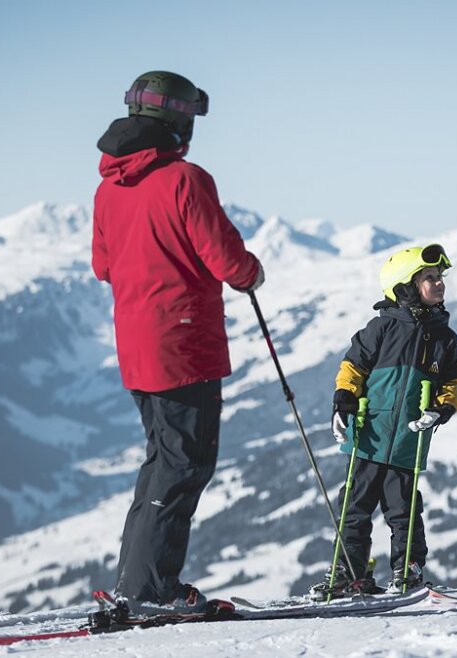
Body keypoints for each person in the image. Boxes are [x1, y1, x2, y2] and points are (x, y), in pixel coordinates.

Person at [91, 70, 264, 615]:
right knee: (185, 464)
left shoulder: (109, 186)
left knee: (163, 461)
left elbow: (103, 266)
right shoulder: (184, 179)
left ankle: (138, 584)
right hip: (183, 345)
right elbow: (227, 261)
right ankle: (150, 591)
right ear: (178, 120)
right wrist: (251, 273)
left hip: (137, 346)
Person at [310, 244, 457, 598]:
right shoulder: (381, 329)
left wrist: (441, 409)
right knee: (354, 504)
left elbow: (455, 382)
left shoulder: (445, 339)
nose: (439, 283)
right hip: (368, 436)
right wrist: (344, 401)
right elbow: (352, 367)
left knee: (404, 509)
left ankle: (407, 569)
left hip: (406, 444)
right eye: (430, 277)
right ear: (405, 287)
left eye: (440, 277)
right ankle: (349, 571)